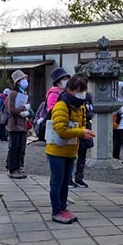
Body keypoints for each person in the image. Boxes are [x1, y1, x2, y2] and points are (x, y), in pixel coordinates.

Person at [45, 74, 95, 224]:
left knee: (66, 181)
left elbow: (83, 124)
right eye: (78, 90)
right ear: (70, 90)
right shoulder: (62, 105)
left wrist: (84, 132)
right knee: (57, 181)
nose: (81, 93)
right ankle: (56, 211)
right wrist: (81, 132)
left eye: (83, 90)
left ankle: (63, 207)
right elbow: (61, 129)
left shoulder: (81, 107)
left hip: (71, 149)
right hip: (57, 150)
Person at [5, 70, 30, 179]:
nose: (25, 81)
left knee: (22, 147)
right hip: (14, 125)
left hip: (22, 124)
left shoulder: (23, 93)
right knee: (14, 148)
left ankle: (20, 167)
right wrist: (23, 108)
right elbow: (11, 110)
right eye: (22, 79)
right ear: (17, 82)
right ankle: (12, 168)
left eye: (25, 78)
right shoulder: (12, 93)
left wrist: (26, 112)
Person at [70, 91, 94, 187]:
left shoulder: (88, 96)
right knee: (71, 156)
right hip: (74, 128)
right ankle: (69, 178)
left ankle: (79, 178)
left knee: (82, 155)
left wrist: (88, 112)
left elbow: (91, 111)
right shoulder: (71, 96)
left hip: (85, 127)